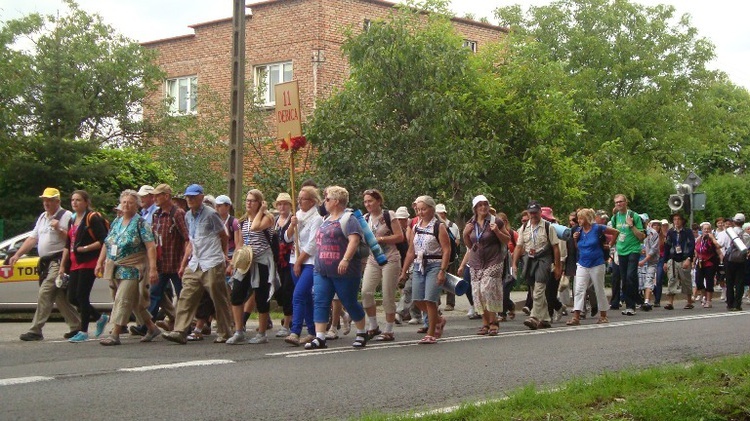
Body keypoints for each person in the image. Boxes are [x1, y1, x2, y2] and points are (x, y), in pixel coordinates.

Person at [162, 184, 233, 344]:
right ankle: (179, 330)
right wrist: (183, 264)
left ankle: (225, 331)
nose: (190, 199)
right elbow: (191, 241)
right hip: (196, 262)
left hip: (212, 261)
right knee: (186, 295)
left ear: (201, 197)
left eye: (193, 196)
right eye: (188, 197)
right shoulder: (187, 216)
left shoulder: (211, 214)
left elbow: (223, 236)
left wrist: (223, 256)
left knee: (218, 297)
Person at [305, 186, 369, 349]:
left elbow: (354, 240)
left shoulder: (349, 219)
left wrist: (346, 259)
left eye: (327, 199)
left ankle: (362, 332)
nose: (324, 202)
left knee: (349, 301)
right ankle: (320, 337)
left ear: (336, 202)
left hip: (344, 270)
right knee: (320, 301)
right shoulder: (326, 219)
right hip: (322, 269)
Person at [96, 189, 161, 346]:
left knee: (122, 298)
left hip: (133, 266)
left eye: (130, 202)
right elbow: (107, 242)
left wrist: (153, 268)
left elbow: (150, 247)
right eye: (124, 202)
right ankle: (152, 328)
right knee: (134, 302)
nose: (126, 205)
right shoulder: (116, 222)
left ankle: (115, 333)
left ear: (137, 205)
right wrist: (100, 262)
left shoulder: (140, 223)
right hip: (116, 266)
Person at [14, 188, 80, 341]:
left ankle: (36, 330)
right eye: (45, 200)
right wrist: (17, 254)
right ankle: (76, 326)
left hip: (59, 261)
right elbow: (33, 238)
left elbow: (72, 239)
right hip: (46, 263)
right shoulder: (43, 217)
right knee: (58, 296)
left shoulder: (66, 216)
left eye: (50, 200)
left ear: (58, 201)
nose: (46, 203)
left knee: (45, 291)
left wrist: (58, 228)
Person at [224, 189, 278, 345]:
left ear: (260, 203)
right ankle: (239, 330)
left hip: (261, 260)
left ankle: (262, 333)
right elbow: (240, 243)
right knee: (237, 294)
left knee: (261, 296)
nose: (248, 203)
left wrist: (260, 211)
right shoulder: (242, 221)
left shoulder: (267, 218)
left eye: (252, 200)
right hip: (246, 260)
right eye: (247, 200)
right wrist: (234, 262)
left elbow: (255, 227)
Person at [398, 195, 452, 344]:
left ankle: (431, 332)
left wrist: (442, 270)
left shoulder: (438, 226)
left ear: (431, 209)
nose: (421, 212)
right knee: (417, 299)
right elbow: (411, 251)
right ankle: (439, 320)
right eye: (419, 209)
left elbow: (446, 250)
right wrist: (403, 271)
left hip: (434, 264)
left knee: (430, 300)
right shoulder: (416, 226)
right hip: (418, 265)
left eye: (424, 209)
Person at [60, 190, 109, 342]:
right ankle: (100, 317)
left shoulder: (92, 218)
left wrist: (85, 248)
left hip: (89, 261)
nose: (74, 203)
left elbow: (104, 240)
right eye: (73, 200)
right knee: (72, 297)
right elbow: (68, 244)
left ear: (86, 202)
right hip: (75, 263)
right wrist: (63, 265)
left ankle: (84, 331)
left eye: (78, 200)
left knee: (82, 295)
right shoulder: (72, 220)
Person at [461, 195, 509, 336]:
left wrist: (497, 231)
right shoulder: (471, 223)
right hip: (476, 262)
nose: (483, 207)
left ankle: (494, 322)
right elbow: (471, 246)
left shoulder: (496, 221)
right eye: (480, 205)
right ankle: (485, 323)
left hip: (493, 260)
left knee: (487, 289)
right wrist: (465, 235)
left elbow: (507, 240)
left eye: (485, 204)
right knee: (478, 293)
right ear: (475, 208)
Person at [361, 189, 404, 341]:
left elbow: (400, 237)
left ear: (378, 201)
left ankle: (389, 329)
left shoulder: (388, 215)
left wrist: (382, 239)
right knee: (366, 292)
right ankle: (373, 325)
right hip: (373, 259)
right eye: (365, 201)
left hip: (390, 258)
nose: (367, 204)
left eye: (370, 201)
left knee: (387, 295)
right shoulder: (365, 218)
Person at [512, 200, 561, 330]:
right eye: (531, 213)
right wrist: (514, 264)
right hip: (530, 260)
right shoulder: (523, 228)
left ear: (540, 212)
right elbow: (518, 247)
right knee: (535, 291)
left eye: (535, 212)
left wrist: (557, 266)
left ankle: (534, 317)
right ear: (528, 213)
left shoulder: (548, 227)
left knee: (539, 289)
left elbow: (556, 247)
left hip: (544, 259)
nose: (533, 215)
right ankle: (545, 319)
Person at [284, 186, 324, 346]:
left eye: (303, 199)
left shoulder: (317, 219)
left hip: (309, 262)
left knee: (298, 295)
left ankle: (295, 331)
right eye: (298, 198)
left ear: (312, 201)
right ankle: (313, 331)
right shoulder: (297, 216)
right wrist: (292, 226)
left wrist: (300, 261)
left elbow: (313, 244)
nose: (299, 202)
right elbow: (287, 239)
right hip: (294, 260)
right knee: (306, 297)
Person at [146, 184, 189, 332]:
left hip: (176, 263)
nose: (155, 198)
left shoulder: (178, 214)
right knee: (154, 294)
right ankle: (147, 326)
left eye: (158, 195)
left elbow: (187, 238)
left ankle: (185, 326)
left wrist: (185, 262)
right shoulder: (156, 215)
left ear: (166, 196)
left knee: (182, 296)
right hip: (161, 264)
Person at [567, 208, 618, 325]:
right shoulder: (578, 231)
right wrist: (575, 239)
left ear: (587, 219)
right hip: (582, 263)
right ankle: (576, 317)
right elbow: (578, 247)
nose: (578, 221)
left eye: (581, 218)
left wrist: (609, 244)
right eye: (578, 218)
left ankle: (603, 315)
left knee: (599, 288)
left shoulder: (598, 228)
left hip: (597, 263)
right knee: (579, 290)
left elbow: (615, 232)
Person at [611, 194, 646, 315]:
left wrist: (631, 225)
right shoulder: (615, 217)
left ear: (626, 202)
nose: (619, 204)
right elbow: (615, 234)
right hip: (621, 250)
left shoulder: (633, 216)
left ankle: (631, 306)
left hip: (633, 249)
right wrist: (610, 245)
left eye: (621, 202)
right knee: (625, 279)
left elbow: (641, 237)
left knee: (630, 276)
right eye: (616, 202)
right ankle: (636, 301)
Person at [272, 193, 295, 338]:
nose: (282, 207)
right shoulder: (274, 220)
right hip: (276, 259)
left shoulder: (293, 219)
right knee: (276, 290)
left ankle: (287, 323)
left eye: (285, 204)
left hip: (289, 258)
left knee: (288, 289)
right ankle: (290, 315)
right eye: (279, 204)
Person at [662, 213, 695, 310]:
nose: (676, 221)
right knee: (671, 278)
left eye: (678, 219)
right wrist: (665, 261)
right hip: (672, 258)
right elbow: (667, 247)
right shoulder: (670, 232)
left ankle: (689, 301)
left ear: (682, 221)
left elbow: (691, 246)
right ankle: (670, 302)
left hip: (684, 258)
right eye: (675, 219)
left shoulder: (687, 232)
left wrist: (689, 259)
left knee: (686, 279)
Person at [435, 203, 460, 312]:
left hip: (451, 257)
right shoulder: (435, 225)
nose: (440, 215)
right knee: (437, 280)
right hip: (438, 258)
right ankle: (437, 301)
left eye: (441, 213)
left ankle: (450, 303)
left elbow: (457, 241)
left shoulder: (452, 225)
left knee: (450, 280)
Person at [693, 221, 724, 308]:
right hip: (700, 262)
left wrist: (713, 238)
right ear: (702, 230)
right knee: (698, 281)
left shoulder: (712, 240)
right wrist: (693, 261)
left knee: (709, 281)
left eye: (708, 229)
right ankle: (704, 295)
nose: (706, 231)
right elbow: (696, 251)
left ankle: (709, 300)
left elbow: (719, 248)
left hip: (710, 263)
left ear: (710, 230)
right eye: (704, 229)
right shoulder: (699, 239)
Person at [723, 214, 749, 311]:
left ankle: (730, 303)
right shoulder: (746, 235)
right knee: (739, 282)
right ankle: (737, 304)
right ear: (743, 223)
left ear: (734, 222)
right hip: (741, 260)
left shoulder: (729, 232)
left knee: (729, 282)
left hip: (729, 259)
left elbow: (724, 245)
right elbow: (746, 249)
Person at [638, 217, 660, 311]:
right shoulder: (635, 231)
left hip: (650, 261)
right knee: (638, 282)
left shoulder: (653, 233)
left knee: (649, 280)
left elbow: (653, 250)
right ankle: (639, 300)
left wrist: (645, 260)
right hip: (637, 261)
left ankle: (646, 301)